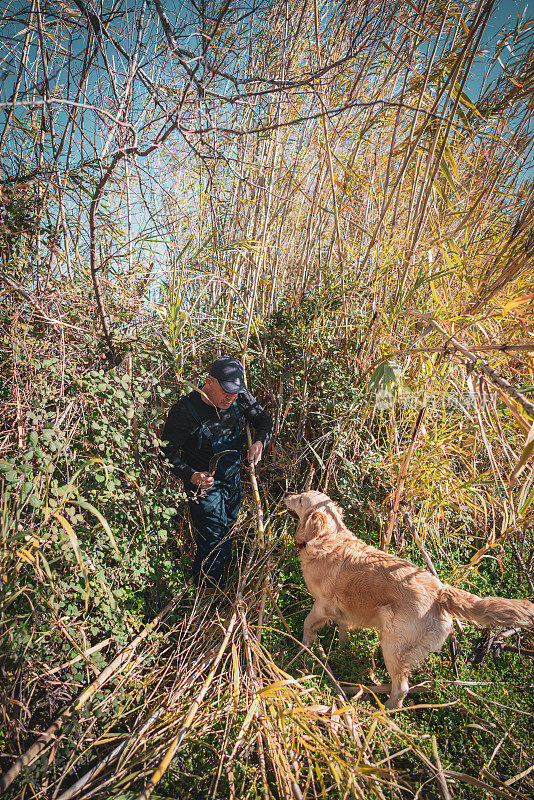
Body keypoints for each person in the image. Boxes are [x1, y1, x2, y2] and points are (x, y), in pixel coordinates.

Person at [161, 357, 273, 588]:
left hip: (232, 478)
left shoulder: (239, 397)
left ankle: (221, 581)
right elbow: (165, 453)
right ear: (208, 382)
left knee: (228, 528)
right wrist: (192, 475)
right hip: (204, 487)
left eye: (235, 392)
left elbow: (264, 420)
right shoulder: (184, 411)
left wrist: (260, 442)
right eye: (226, 392)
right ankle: (207, 592)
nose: (231, 398)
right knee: (214, 539)